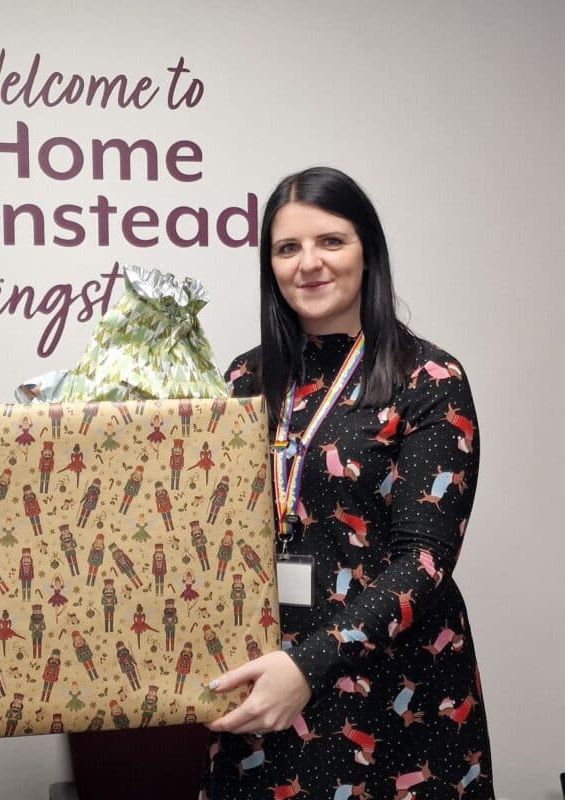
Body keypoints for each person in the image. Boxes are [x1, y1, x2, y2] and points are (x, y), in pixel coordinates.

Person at [203, 167, 492, 798]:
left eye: (331, 241)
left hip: (395, 694)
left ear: (369, 254)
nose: (309, 263)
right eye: (288, 248)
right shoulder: (245, 380)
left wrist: (305, 666)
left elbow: (424, 560)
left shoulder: (428, 379)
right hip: (269, 682)